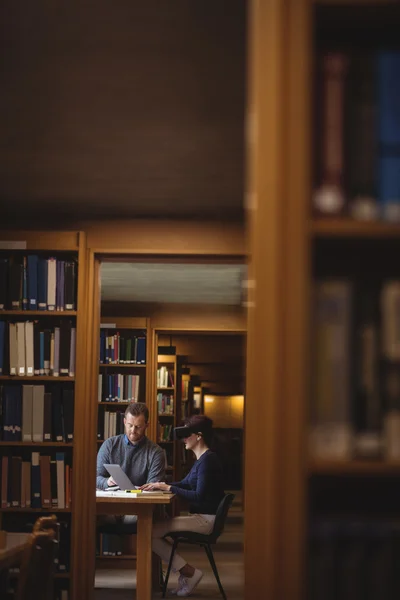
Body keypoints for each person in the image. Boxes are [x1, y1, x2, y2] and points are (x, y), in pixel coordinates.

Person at [141, 415, 225, 598]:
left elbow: (198, 495)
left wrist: (168, 487)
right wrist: (160, 485)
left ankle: (189, 573)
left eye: (187, 435)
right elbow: (186, 484)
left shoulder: (207, 461)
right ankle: (187, 572)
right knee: (152, 531)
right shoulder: (202, 460)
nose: (183, 439)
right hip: (202, 518)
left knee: (148, 533)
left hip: (205, 520)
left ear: (199, 436)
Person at [96, 402, 165, 526]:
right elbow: (96, 478)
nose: (133, 431)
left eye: (138, 427)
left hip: (138, 508)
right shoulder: (109, 445)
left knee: (139, 518)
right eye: (130, 425)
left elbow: (153, 490)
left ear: (147, 425)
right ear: (124, 422)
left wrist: (137, 489)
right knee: (91, 515)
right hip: (111, 505)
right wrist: (107, 482)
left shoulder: (156, 453)